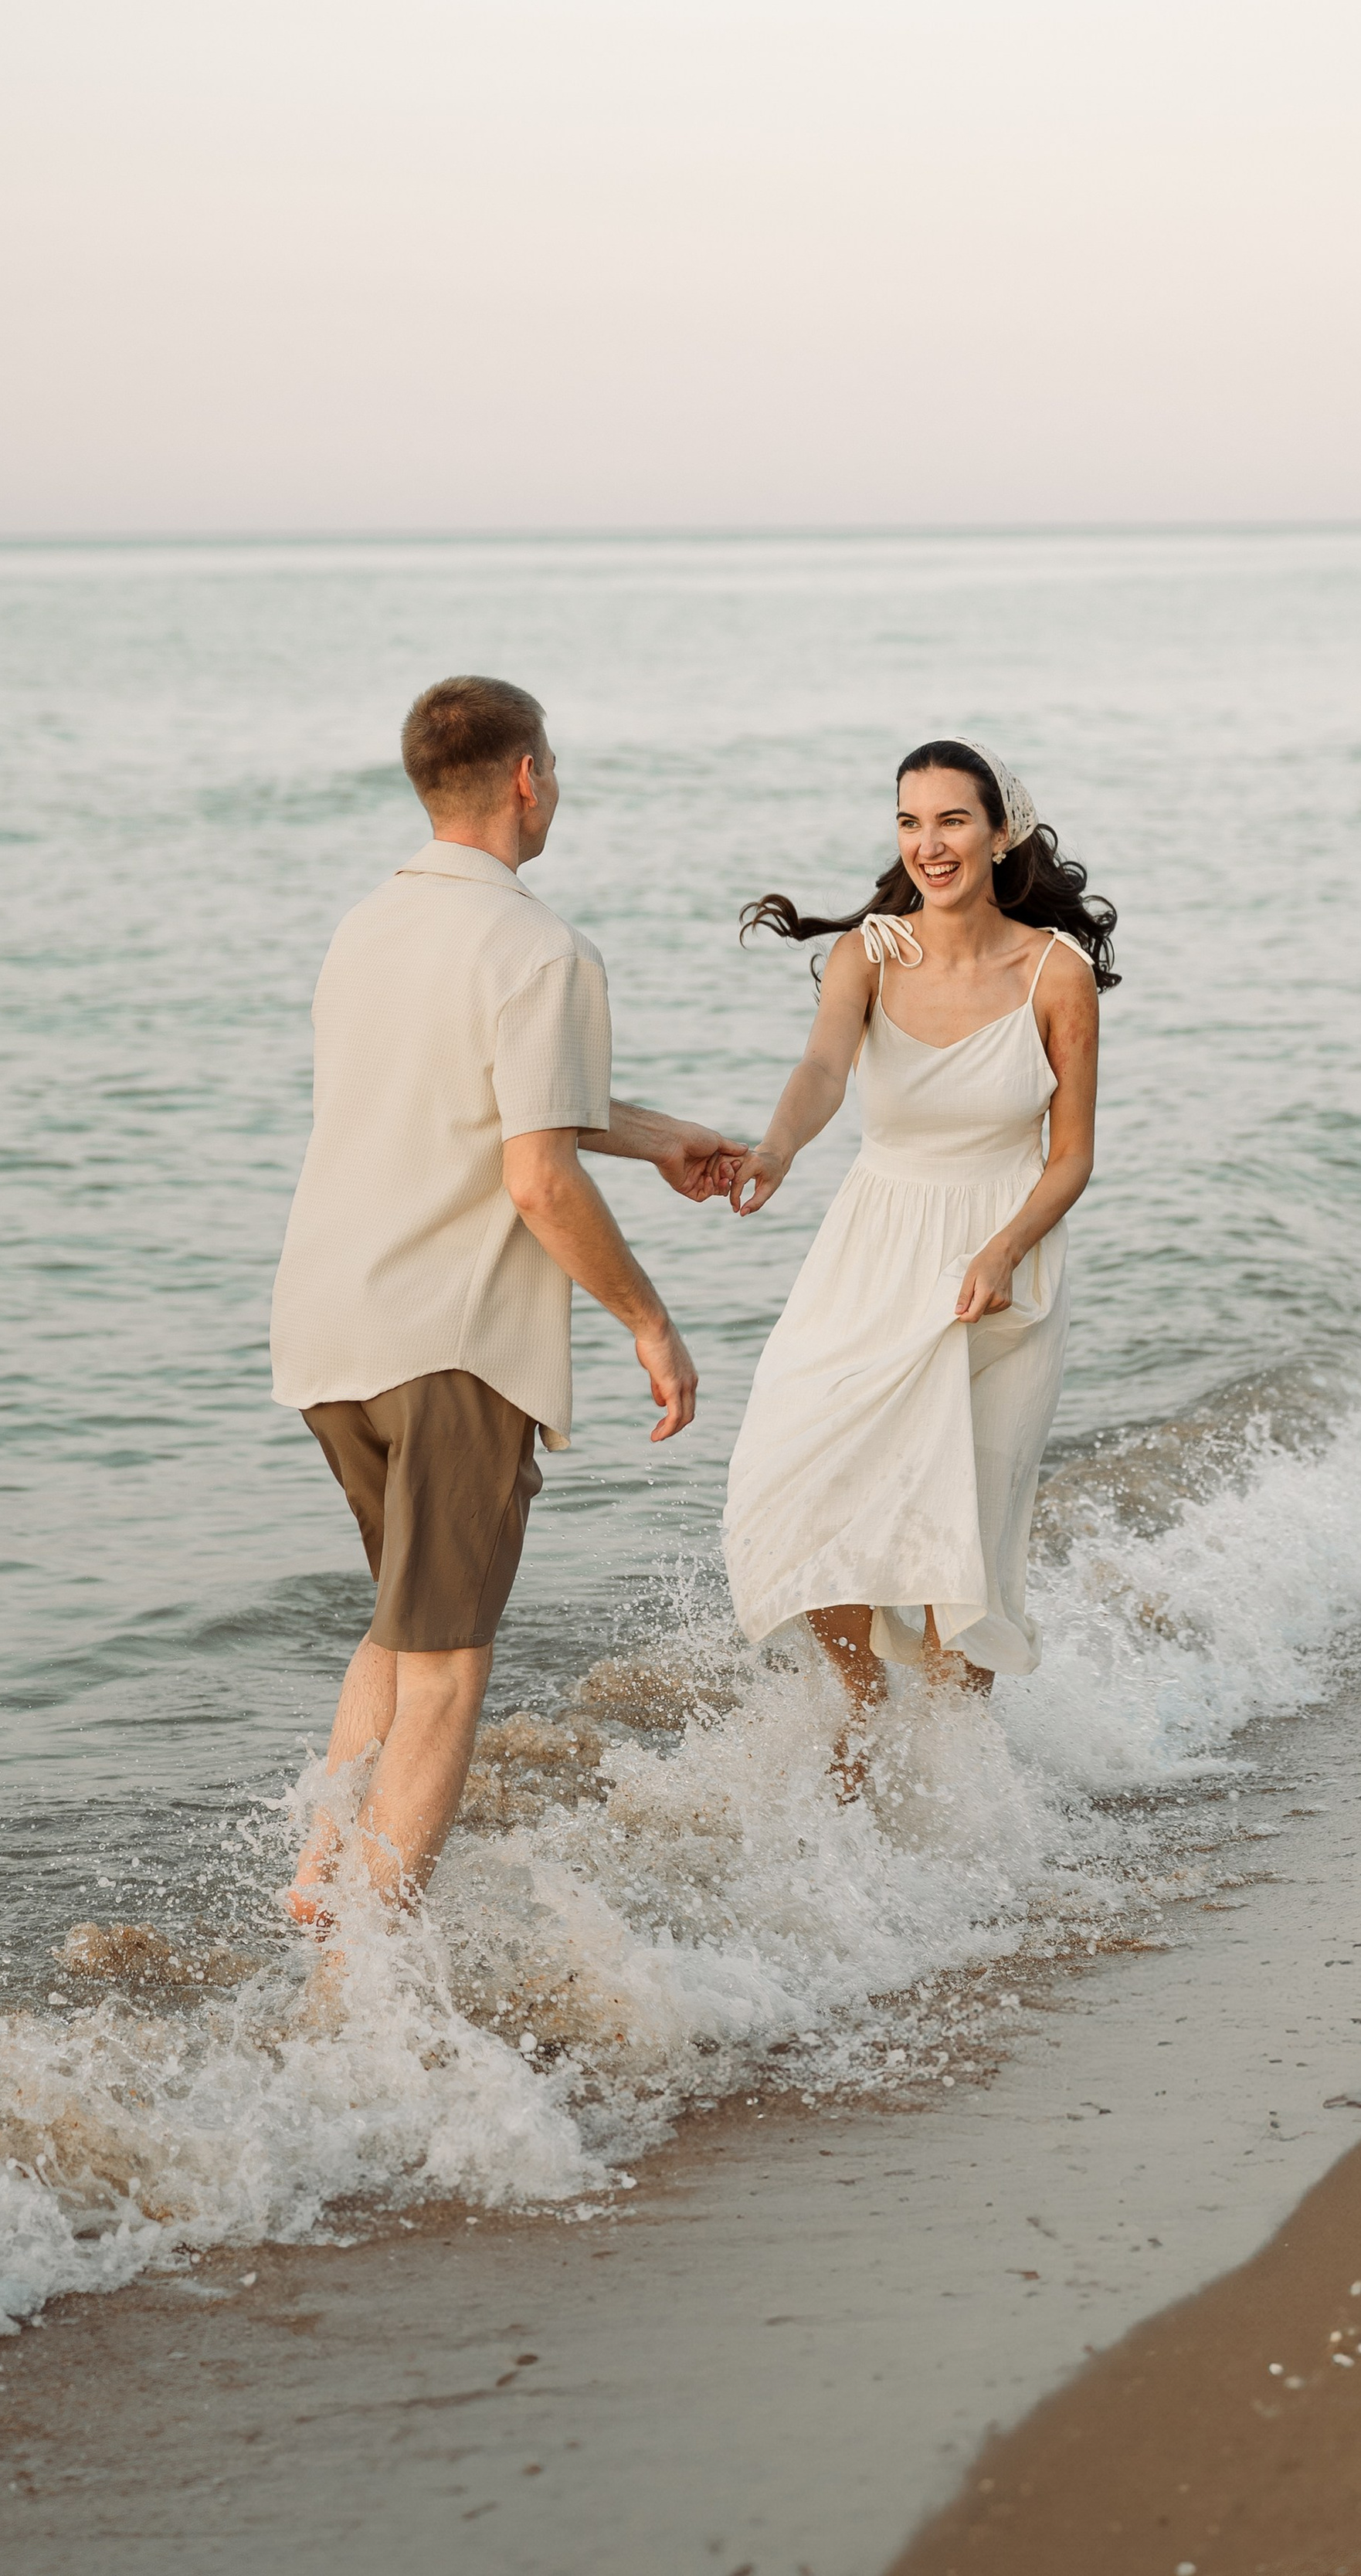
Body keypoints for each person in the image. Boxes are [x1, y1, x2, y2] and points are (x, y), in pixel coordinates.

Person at [270, 674, 742, 1922]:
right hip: (452, 1345)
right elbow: (535, 1176)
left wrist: (658, 1137)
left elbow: (492, 1099)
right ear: (528, 776)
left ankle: (318, 1885)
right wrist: (650, 1320)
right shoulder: (542, 947)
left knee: (401, 1626)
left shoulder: (365, 929)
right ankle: (361, 1997)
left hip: (332, 1335)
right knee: (451, 1674)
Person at [721, 737, 1117, 1793]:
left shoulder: (1054, 974)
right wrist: (774, 1149)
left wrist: (1001, 1251)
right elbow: (820, 1069)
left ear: (998, 833)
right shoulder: (870, 955)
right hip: (873, 1247)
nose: (929, 844)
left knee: (965, 1542)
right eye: (910, 822)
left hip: (1005, 1264)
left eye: (951, 821)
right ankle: (859, 1701)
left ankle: (957, 1790)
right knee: (794, 1473)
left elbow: (1071, 1157)